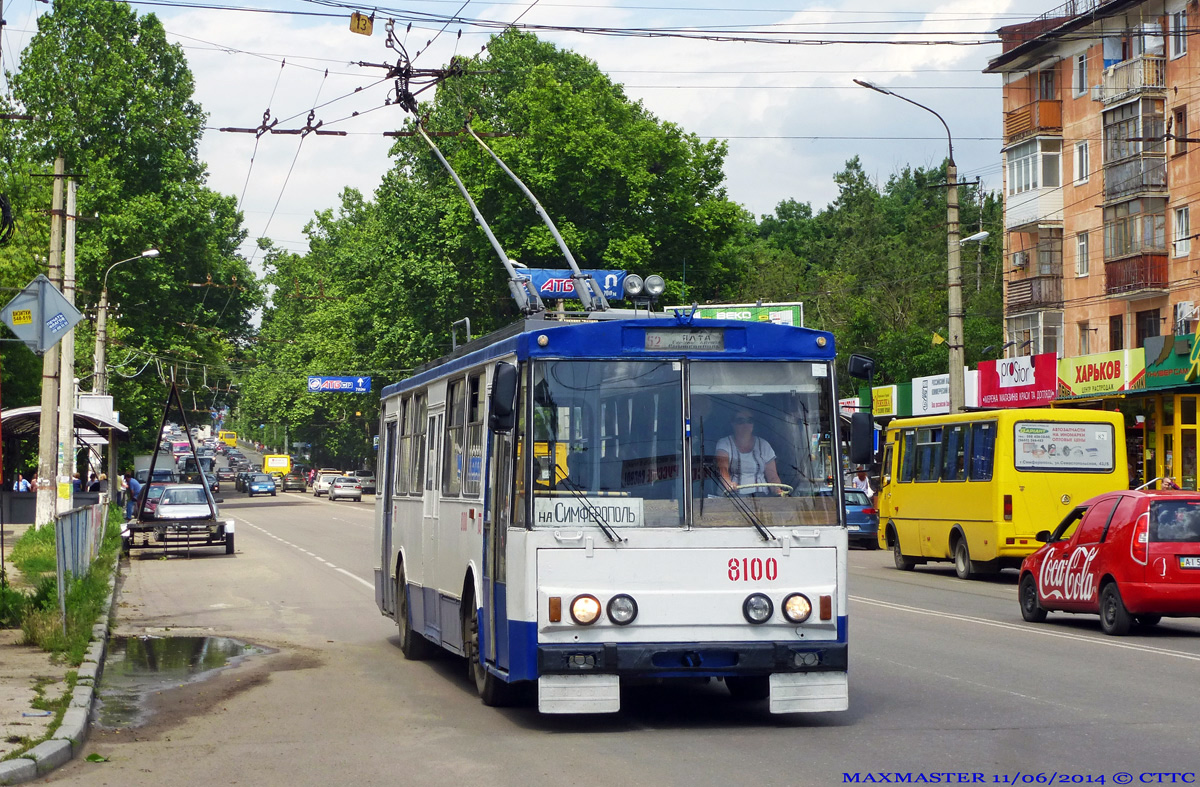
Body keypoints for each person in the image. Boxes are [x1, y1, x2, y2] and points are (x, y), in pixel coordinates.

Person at [715, 409, 786, 496]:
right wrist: (728, 484)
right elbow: (722, 469)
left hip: (762, 498)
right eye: (740, 421)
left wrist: (777, 490)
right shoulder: (724, 443)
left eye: (749, 421)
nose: (746, 425)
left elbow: (772, 476)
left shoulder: (764, 445)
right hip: (733, 499)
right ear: (732, 424)